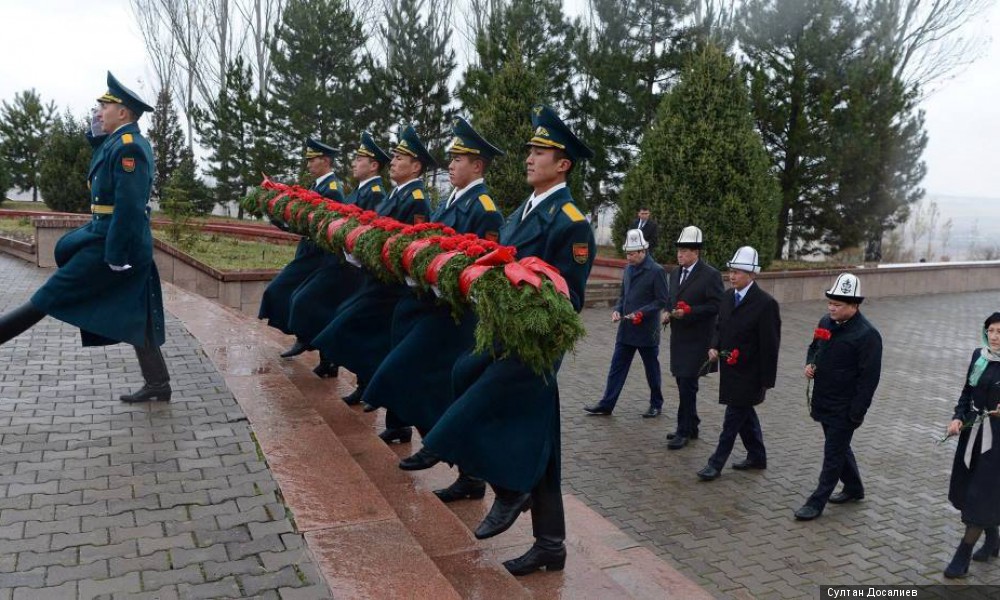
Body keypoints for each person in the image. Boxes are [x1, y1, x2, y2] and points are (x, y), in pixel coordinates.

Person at [414, 105, 595, 576]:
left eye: (541, 151)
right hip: (504, 337)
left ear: (564, 164)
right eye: (531, 150)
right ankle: (549, 543)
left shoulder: (570, 221)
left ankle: (476, 466)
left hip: (534, 348)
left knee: (478, 386)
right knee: (540, 442)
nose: (530, 157)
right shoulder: (520, 212)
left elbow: (568, 298)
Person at [0, 72, 169, 403]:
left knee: (50, 295)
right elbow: (104, 165)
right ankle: (158, 382)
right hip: (112, 238)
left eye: (105, 107)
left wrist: (117, 255)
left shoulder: (130, 147)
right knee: (139, 311)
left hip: (118, 243)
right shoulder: (117, 143)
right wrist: (96, 137)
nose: (99, 112)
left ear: (123, 112)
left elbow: (130, 206)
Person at [369, 117, 504, 501]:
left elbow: (481, 268)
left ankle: (441, 449)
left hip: (456, 316)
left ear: (477, 165)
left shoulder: (486, 209)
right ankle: (468, 473)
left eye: (458, 158)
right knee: (432, 385)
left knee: (410, 373)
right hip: (433, 306)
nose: (451, 164)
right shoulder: (450, 201)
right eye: (451, 158)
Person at [312, 124, 432, 411]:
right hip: (375, 278)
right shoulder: (395, 194)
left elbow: (411, 244)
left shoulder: (415, 200)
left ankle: (372, 390)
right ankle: (367, 385)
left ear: (416, 167)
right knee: (358, 328)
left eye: (401, 158)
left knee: (355, 327)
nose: (394, 162)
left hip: (390, 284)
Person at [285, 133, 388, 378]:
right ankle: (329, 361)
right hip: (341, 260)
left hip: (350, 267)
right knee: (327, 309)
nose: (353, 163)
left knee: (325, 309)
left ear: (374, 165)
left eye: (359, 159)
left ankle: (355, 376)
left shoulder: (375, 195)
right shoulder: (358, 192)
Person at [793, 273, 881, 521]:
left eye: (838, 304)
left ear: (854, 306)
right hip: (823, 400)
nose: (831, 307)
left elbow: (869, 380)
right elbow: (814, 348)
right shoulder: (825, 322)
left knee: (833, 453)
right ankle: (854, 488)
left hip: (846, 407)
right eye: (830, 302)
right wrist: (810, 364)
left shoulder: (867, 335)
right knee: (839, 448)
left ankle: (816, 502)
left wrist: (857, 412)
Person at [696, 246, 780, 481]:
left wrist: (766, 381)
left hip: (751, 374)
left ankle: (716, 463)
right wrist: (714, 345)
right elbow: (719, 326)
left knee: (732, 419)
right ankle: (757, 456)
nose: (732, 276)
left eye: (738, 272)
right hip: (730, 370)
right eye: (731, 271)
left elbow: (770, 345)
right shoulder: (727, 296)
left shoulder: (765, 304)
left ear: (752, 275)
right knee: (744, 415)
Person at [258, 138, 347, 358]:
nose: (308, 165)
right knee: (283, 292)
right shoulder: (316, 186)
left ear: (325, 161)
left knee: (297, 296)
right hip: (308, 250)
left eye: (312, 160)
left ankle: (306, 339)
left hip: (319, 255)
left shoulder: (332, 189)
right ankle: (304, 337)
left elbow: (324, 225)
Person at [583, 228, 668, 418]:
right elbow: (623, 295)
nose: (628, 257)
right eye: (627, 253)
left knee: (651, 370)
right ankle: (607, 404)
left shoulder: (657, 271)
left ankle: (656, 403)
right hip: (626, 329)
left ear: (642, 251)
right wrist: (617, 310)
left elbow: (661, 301)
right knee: (616, 368)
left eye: (631, 254)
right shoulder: (628, 269)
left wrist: (640, 313)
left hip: (647, 331)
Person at [942, 312, 1000, 578]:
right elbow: (967, 391)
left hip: (997, 443)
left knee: (981, 496)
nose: (996, 337)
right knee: (971, 490)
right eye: (992, 331)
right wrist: (957, 417)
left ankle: (962, 554)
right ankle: (992, 539)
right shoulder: (980, 355)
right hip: (972, 434)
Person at [662, 226, 724, 449]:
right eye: (679, 250)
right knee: (681, 381)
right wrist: (668, 313)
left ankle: (684, 430)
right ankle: (693, 423)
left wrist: (689, 312)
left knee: (688, 384)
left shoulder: (710, 275)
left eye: (685, 251)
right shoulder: (675, 273)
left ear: (696, 252)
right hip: (679, 338)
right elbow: (671, 300)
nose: (680, 254)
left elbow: (716, 306)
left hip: (698, 339)